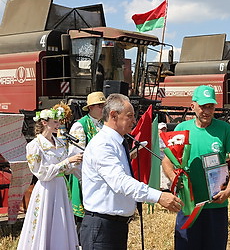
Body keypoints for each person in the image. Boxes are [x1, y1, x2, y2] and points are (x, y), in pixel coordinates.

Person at [80, 93, 183, 249]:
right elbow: (120, 182)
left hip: (113, 227)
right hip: (103, 227)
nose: (134, 121)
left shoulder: (116, 143)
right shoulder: (103, 145)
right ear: (114, 115)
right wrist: (158, 196)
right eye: (130, 116)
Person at [162, 85, 230, 249]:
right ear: (193, 106)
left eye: (210, 107)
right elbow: (167, 161)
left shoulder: (224, 129)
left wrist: (228, 192)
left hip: (216, 205)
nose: (206, 111)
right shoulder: (181, 129)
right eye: (202, 106)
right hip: (188, 206)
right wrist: (175, 179)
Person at [17, 107, 83, 250]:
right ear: (44, 122)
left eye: (58, 122)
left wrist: (75, 163)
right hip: (46, 189)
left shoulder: (59, 143)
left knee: (61, 220)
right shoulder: (34, 146)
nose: (58, 125)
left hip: (60, 186)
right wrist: (67, 162)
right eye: (55, 122)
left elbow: (66, 168)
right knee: (44, 220)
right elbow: (41, 173)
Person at [68, 91, 106, 239]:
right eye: (101, 106)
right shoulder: (80, 126)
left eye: (105, 106)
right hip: (85, 177)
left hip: (101, 178)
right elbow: (76, 156)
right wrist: (84, 179)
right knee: (83, 220)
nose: (104, 109)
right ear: (91, 107)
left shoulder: (103, 124)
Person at [158, 122, 171, 190]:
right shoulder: (155, 140)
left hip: (167, 163)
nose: (163, 131)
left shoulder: (169, 139)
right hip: (158, 163)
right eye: (161, 129)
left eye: (164, 129)